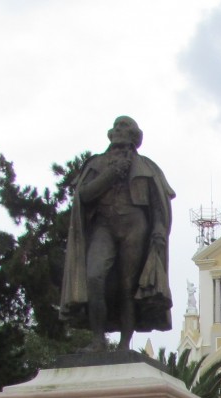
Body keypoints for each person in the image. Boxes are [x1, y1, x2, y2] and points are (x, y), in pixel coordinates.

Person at [61, 116, 176, 352]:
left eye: (126, 127)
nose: (120, 130)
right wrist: (112, 174)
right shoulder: (97, 164)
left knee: (129, 286)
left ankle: (125, 343)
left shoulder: (147, 167)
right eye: (117, 127)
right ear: (110, 134)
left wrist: (158, 229)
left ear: (135, 137)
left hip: (135, 225)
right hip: (104, 225)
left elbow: (158, 204)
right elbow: (84, 195)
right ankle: (98, 339)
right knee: (94, 277)